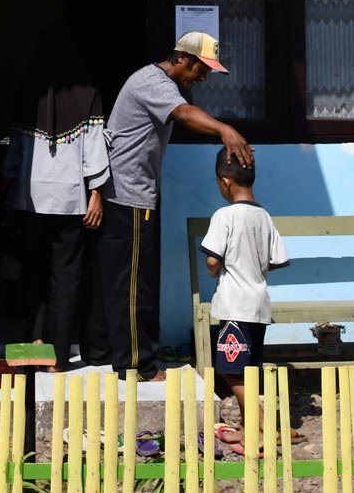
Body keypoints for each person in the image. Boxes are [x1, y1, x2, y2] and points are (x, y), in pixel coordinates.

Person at [95, 31, 254, 381]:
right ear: (182, 58)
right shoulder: (153, 82)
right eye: (201, 68)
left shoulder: (160, 82)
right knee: (133, 286)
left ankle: (125, 355)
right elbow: (183, 114)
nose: (203, 77)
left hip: (139, 195)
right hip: (129, 195)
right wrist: (225, 130)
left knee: (139, 281)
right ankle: (136, 365)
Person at [4, 24, 110, 371]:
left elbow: (15, 157)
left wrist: (11, 186)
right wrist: (96, 193)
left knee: (34, 272)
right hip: (71, 202)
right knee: (66, 278)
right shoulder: (88, 93)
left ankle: (33, 349)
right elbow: (95, 150)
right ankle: (58, 358)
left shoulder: (27, 93)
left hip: (30, 201)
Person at [201, 147, 289, 446]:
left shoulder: (224, 216)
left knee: (229, 370)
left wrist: (215, 272)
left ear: (225, 181)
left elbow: (213, 260)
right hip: (259, 304)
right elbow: (274, 261)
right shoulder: (264, 217)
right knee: (248, 369)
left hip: (234, 305)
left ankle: (262, 425)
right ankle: (249, 425)